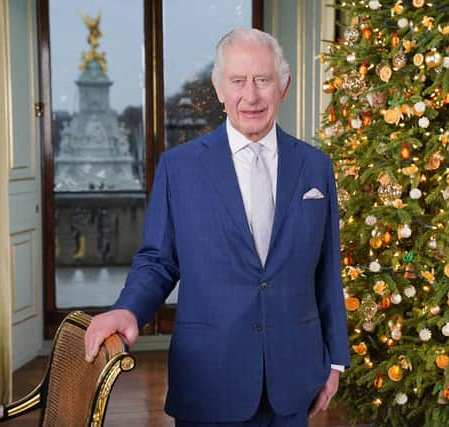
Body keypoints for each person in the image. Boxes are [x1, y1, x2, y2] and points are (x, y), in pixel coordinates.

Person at [84, 28, 350, 426]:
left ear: (284, 86)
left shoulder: (315, 167)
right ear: (219, 88)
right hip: (209, 378)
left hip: (295, 377)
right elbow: (158, 261)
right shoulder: (180, 168)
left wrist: (335, 360)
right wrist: (129, 309)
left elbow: (327, 269)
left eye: (263, 80)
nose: (251, 95)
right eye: (238, 81)